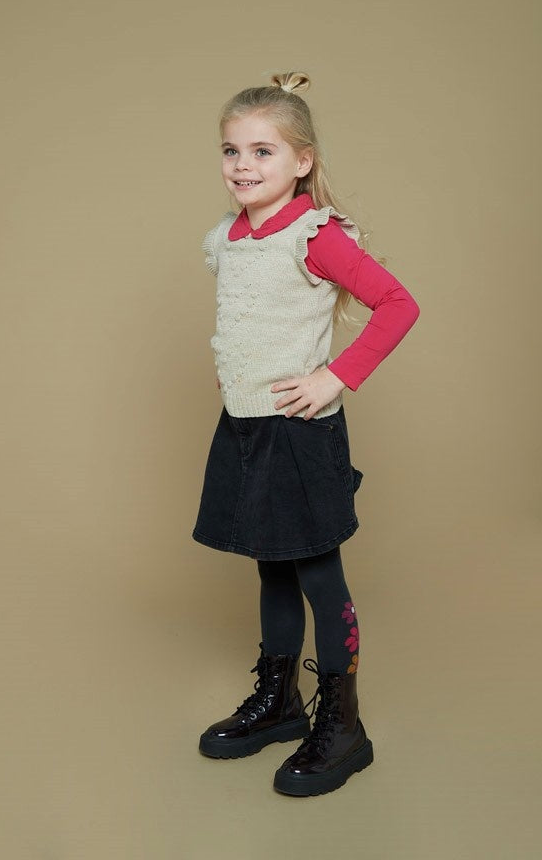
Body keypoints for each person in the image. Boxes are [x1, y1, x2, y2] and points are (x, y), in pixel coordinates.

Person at [192, 71, 421, 797]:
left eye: (262, 151)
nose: (243, 166)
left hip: (299, 433)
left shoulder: (313, 236)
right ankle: (280, 701)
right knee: (271, 564)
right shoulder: (228, 238)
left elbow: (397, 304)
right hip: (246, 427)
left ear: (302, 161)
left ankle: (343, 724)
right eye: (231, 150)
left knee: (319, 572)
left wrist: (335, 377)